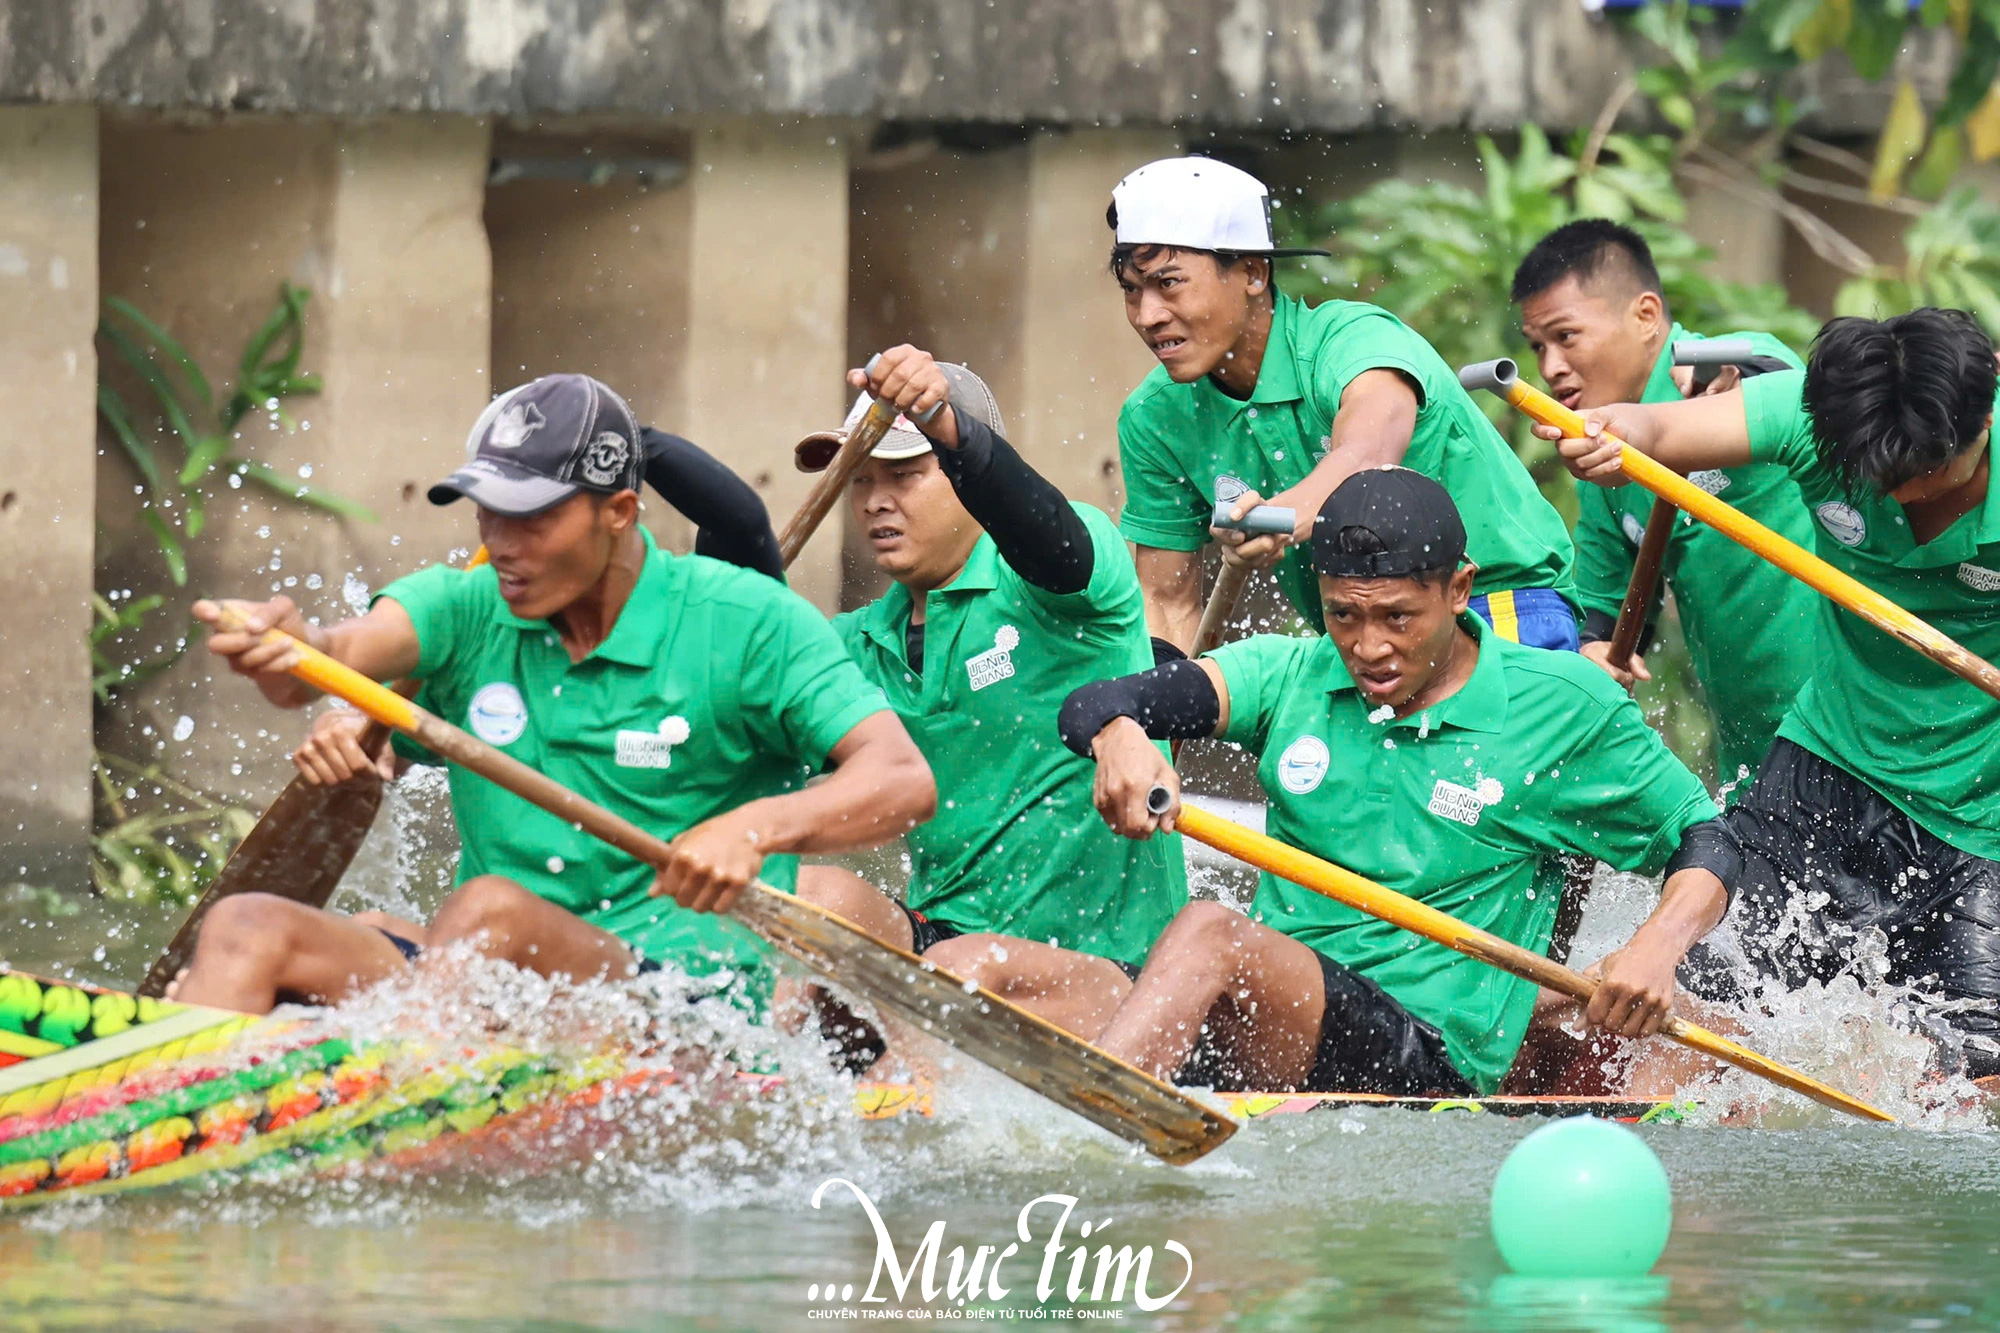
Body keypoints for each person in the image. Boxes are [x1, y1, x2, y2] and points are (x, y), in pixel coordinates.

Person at [174, 372, 934, 1015]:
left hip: (681, 1004)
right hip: (480, 979)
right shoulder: (469, 608)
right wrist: (283, 647)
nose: (503, 545)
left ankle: (383, 1102)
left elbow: (900, 778)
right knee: (246, 927)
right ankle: (161, 1114)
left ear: (620, 512)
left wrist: (757, 829)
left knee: (488, 911)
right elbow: (336, 652)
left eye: (532, 518)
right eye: (489, 513)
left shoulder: (744, 621)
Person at [1058, 467, 1738, 1096]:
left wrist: (1655, 947)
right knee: (985, 962)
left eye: (1397, 617)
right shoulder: (1290, 672)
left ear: (1460, 589)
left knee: (1209, 931)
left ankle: (1089, 1128)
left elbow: (1709, 839)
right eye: (1343, 614)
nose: (1368, 647)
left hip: (1428, 1048)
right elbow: (1098, 702)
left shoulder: (1564, 705)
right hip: (1284, 1010)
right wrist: (1120, 732)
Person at [1541, 307, 2000, 1077]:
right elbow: (1651, 430)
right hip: (1829, 753)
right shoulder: (1817, 418)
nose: (1906, 497)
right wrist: (1612, 440)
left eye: (1928, 471)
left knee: (1978, 1085)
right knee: (1693, 1007)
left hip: (1976, 811)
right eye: (1884, 478)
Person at [791, 348, 1185, 1041]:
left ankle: (897, 1107)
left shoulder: (1064, 584)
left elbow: (1048, 537)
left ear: (970, 475)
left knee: (967, 964)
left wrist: (952, 427)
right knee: (805, 898)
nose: (877, 500)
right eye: (863, 478)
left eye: (907, 474)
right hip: (943, 948)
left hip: (1108, 970)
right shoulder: (851, 644)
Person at [1106, 155, 1578, 654]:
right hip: (1358, 636)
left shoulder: (1351, 340)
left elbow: (1366, 457)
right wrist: (1159, 712)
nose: (1148, 316)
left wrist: (1283, 514)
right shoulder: (1153, 417)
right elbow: (1165, 603)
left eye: (1169, 283)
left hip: (1496, 606)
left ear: (1252, 273)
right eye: (1132, 292)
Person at [1514, 220, 1815, 793]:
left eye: (1566, 336)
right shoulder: (1601, 464)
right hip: (1756, 762)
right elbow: (1607, 613)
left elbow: (1780, 378)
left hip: (1856, 734)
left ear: (1646, 316)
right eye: (1537, 347)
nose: (1550, 368)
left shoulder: (1725, 370)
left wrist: (1716, 384)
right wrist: (1592, 652)